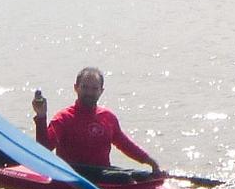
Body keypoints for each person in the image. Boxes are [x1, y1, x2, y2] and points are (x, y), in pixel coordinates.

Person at [31, 67, 159, 174]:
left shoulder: (108, 117)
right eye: (85, 87)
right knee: (124, 177)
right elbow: (44, 150)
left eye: (94, 89)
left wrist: (150, 161)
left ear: (101, 91)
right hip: (73, 175)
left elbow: (125, 145)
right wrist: (41, 117)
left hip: (103, 174)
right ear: (76, 88)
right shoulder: (63, 118)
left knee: (139, 175)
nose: (89, 93)